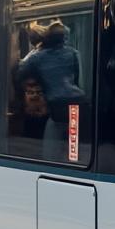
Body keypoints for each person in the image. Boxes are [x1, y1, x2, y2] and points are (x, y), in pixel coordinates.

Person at [14, 20, 86, 160]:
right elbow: (76, 80)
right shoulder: (72, 53)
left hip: (58, 107)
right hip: (78, 104)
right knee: (73, 150)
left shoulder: (38, 56)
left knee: (50, 152)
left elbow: (19, 74)